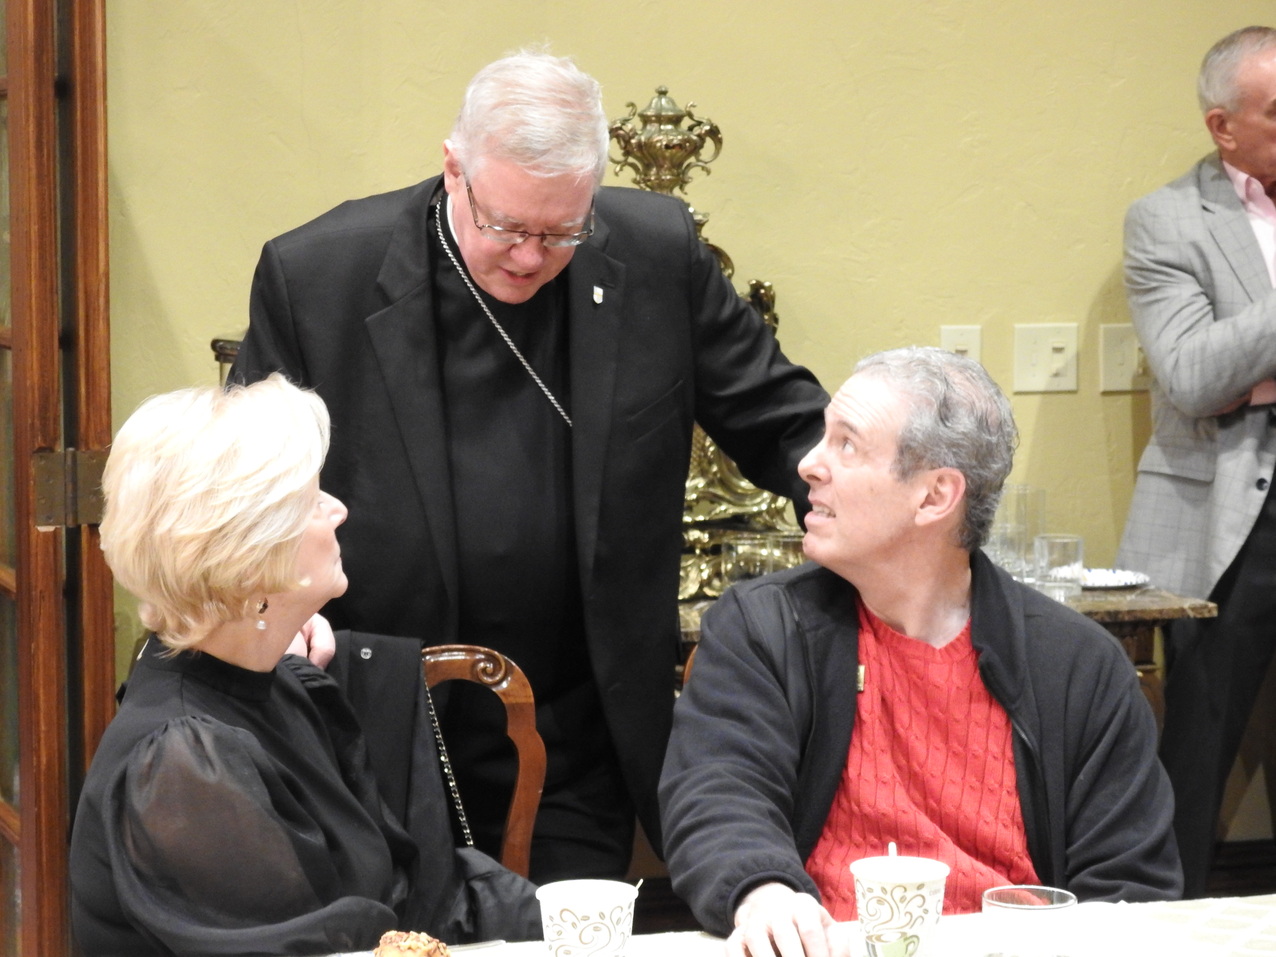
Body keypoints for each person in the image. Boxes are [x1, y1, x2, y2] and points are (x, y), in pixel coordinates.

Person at [229, 49, 827, 881]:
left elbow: (786, 423)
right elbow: (244, 486)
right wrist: (271, 605)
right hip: (378, 721)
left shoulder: (657, 255)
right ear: (453, 170)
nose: (528, 257)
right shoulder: (319, 275)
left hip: (578, 730)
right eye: (506, 226)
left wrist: (884, 513)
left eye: (561, 232)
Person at [661, 347, 1182, 957]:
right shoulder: (763, 628)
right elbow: (718, 795)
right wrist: (764, 892)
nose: (808, 465)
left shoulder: (1079, 666)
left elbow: (1131, 889)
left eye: (847, 445)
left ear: (935, 497)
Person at [69, 376, 539, 957]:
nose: (338, 509)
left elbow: (403, 891)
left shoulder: (280, 687)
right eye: (313, 499)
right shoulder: (183, 764)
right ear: (251, 557)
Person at [1116, 25, 1276, 897]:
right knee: (1200, 739)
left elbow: (1232, 364)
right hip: (1228, 508)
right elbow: (1192, 375)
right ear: (1225, 126)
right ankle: (1163, 922)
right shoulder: (1168, 219)